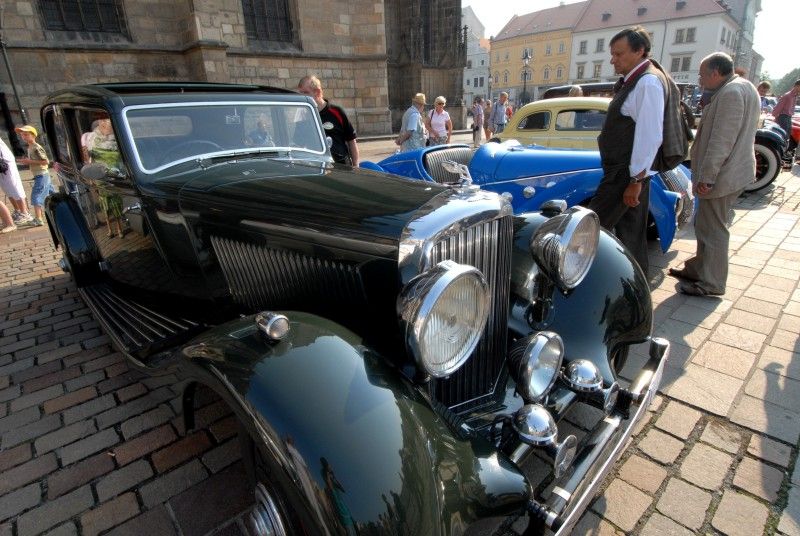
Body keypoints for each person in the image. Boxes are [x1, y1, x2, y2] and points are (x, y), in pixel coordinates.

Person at [668, 53, 759, 297]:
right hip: (732, 171)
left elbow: (721, 141)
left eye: (702, 75)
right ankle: (699, 269)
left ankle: (711, 282)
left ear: (715, 73)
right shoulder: (743, 87)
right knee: (706, 224)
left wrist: (707, 178)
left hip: (723, 175)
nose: (700, 81)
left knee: (713, 229)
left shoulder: (730, 93)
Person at [588, 26, 667, 277]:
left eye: (619, 54)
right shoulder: (638, 80)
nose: (613, 60)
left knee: (589, 226)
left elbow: (649, 135)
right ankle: (636, 282)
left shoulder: (647, 82)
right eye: (612, 54)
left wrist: (636, 180)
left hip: (624, 173)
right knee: (631, 232)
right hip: (627, 172)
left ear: (639, 51)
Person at [297, 75, 359, 166]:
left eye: (306, 93)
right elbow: (298, 145)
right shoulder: (302, 116)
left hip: (342, 166)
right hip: (317, 166)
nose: (302, 97)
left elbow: (351, 141)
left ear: (317, 92)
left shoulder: (337, 112)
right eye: (300, 93)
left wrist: (356, 166)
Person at [86, 118, 125, 239]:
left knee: (116, 204)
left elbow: (121, 160)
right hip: (101, 178)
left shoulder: (117, 141)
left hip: (114, 177)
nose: (104, 126)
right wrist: (91, 178)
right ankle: (110, 229)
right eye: (102, 124)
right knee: (105, 205)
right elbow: (91, 161)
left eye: (106, 124)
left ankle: (119, 228)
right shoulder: (94, 141)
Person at [15, 125, 51, 227]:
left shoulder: (36, 147)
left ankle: (39, 219)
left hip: (42, 175)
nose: (24, 137)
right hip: (40, 175)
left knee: (36, 196)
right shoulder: (30, 147)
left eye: (26, 134)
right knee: (49, 194)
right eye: (22, 135)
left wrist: (29, 161)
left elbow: (46, 161)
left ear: (33, 135)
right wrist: (25, 161)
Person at [0, 136, 32, 225]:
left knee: (14, 186)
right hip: (2, 161)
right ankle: (18, 211)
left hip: (5, 161)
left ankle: (25, 213)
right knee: (6, 188)